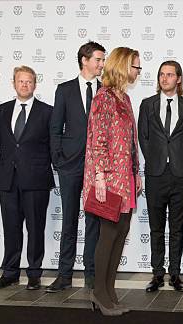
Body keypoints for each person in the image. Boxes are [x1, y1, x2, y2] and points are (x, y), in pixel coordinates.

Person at [83, 47, 142, 316]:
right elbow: (98, 140)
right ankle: (99, 292)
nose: (138, 72)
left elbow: (132, 141)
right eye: (135, 66)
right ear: (122, 66)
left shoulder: (125, 99)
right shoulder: (103, 97)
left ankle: (109, 291)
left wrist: (136, 172)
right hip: (107, 179)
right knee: (107, 236)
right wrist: (100, 179)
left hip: (126, 178)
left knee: (120, 234)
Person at [0, 66, 54, 291]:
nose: (24, 85)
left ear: (35, 84)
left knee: (36, 228)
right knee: (11, 228)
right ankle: (10, 272)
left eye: (29, 81)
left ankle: (34, 273)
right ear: (13, 83)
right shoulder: (1, 111)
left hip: (36, 180)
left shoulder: (47, 112)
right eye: (20, 81)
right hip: (8, 179)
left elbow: (53, 146)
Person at [48, 41, 105, 292]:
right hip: (69, 165)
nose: (102, 64)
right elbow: (55, 128)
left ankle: (92, 275)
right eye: (98, 60)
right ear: (84, 60)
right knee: (69, 220)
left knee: (94, 222)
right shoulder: (65, 90)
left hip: (97, 168)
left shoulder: (106, 91)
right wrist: (58, 160)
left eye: (103, 60)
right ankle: (64, 275)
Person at [138, 61, 183, 293]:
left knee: (177, 228)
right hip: (155, 174)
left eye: (170, 75)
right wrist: (155, 159)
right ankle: (157, 274)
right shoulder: (147, 105)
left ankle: (175, 274)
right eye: (162, 74)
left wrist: (178, 158)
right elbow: (143, 137)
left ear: (178, 79)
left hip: (180, 174)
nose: (165, 78)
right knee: (156, 228)